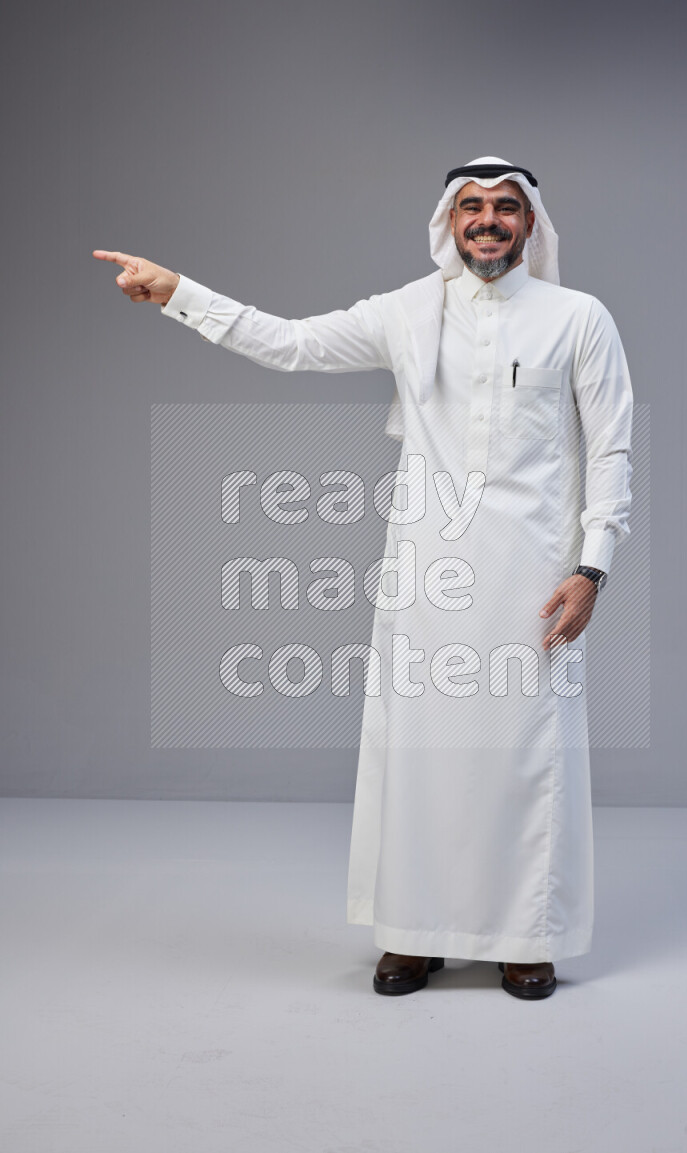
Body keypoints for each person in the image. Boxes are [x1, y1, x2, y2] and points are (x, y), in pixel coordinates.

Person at [94, 155, 633, 1001]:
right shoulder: (406, 313)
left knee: (526, 757)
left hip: (537, 578)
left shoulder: (579, 319)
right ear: (448, 224)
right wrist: (178, 293)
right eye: (471, 208)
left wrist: (592, 567)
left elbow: (610, 450)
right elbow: (292, 342)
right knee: (419, 757)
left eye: (504, 208)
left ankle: (527, 935)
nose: (487, 221)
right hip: (427, 574)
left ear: (530, 224)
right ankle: (412, 935)